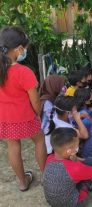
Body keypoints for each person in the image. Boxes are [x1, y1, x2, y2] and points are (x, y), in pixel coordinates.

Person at [0, 26, 47, 191]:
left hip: (5, 118)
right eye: (25, 49)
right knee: (40, 140)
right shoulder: (24, 72)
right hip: (25, 116)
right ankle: (45, 177)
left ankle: (22, 182)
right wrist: (38, 114)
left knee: (13, 146)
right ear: (19, 49)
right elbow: (35, 101)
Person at [43, 127, 92, 207]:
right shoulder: (75, 168)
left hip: (52, 203)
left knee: (81, 169)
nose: (77, 147)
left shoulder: (49, 158)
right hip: (74, 204)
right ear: (69, 151)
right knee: (91, 161)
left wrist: (77, 159)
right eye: (77, 145)